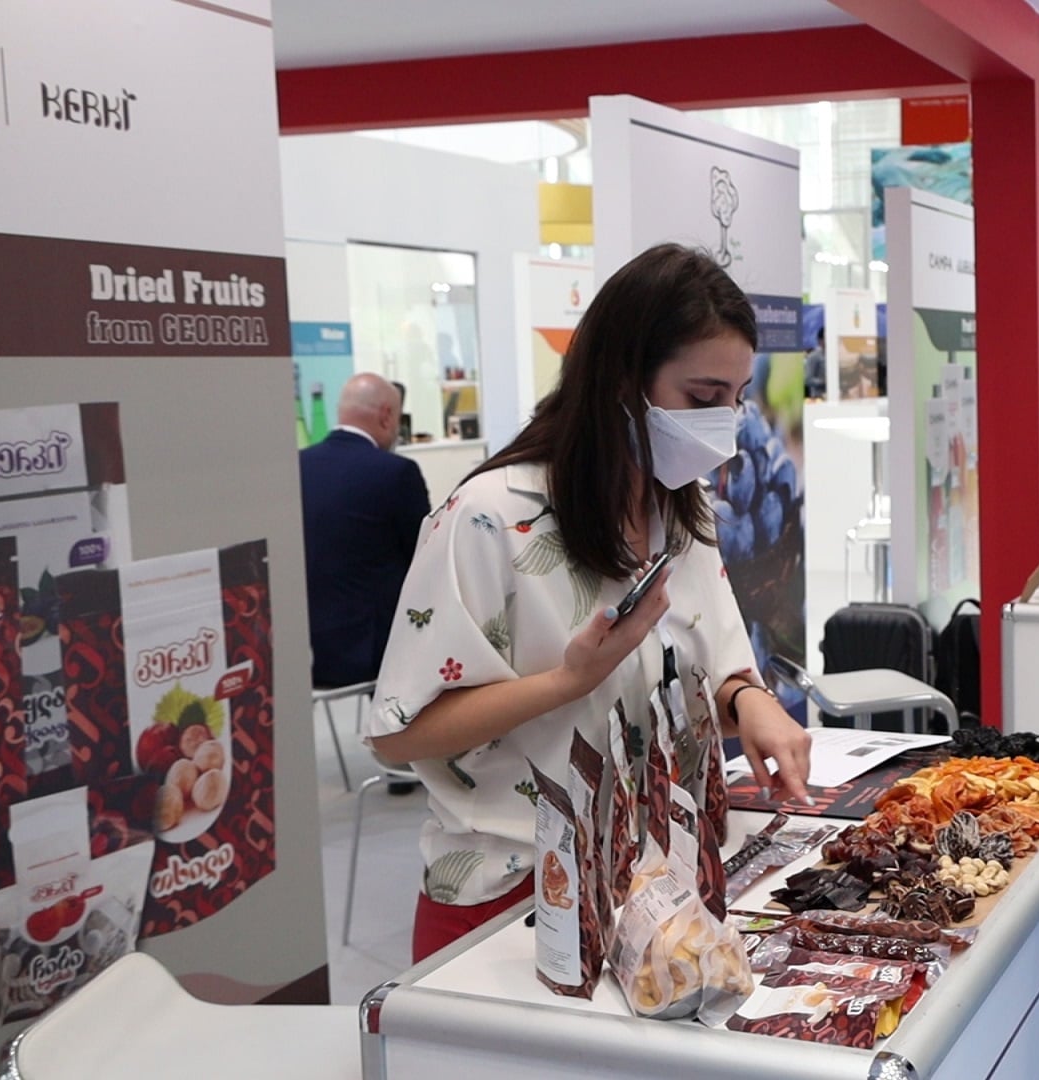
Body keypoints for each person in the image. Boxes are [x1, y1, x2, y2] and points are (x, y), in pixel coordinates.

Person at [366, 244, 814, 962]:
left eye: (735, 398)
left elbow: (705, 668)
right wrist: (569, 680)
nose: (723, 423)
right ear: (622, 381)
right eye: (703, 398)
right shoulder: (490, 518)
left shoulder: (682, 505)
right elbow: (401, 732)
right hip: (517, 903)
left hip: (657, 890)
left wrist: (749, 701)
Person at [299, 373, 430, 690]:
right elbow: (426, 556)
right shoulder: (396, 472)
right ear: (387, 416)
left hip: (306, 653)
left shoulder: (297, 465)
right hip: (374, 654)